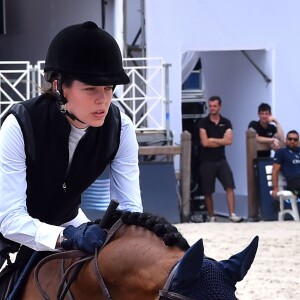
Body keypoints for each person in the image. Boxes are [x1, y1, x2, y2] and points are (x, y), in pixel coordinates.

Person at [0, 21, 142, 296]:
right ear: (59, 85)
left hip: (67, 221)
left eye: (109, 88)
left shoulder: (122, 127)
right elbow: (10, 219)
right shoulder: (18, 124)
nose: (103, 100)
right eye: (91, 89)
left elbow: (131, 210)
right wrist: (64, 238)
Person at [198, 96, 242, 222]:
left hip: (221, 160)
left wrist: (214, 140)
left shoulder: (226, 122)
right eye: (210, 106)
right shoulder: (203, 122)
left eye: (214, 106)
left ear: (220, 106)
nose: (212, 108)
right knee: (207, 190)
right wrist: (220, 141)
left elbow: (229, 141)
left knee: (230, 186)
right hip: (206, 160)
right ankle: (212, 216)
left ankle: (232, 214)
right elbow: (205, 142)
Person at [271, 130, 300, 198]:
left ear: (298, 141)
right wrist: (275, 188)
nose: (292, 141)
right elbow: (275, 170)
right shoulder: (281, 152)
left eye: (295, 139)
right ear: (286, 140)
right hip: (293, 182)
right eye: (290, 139)